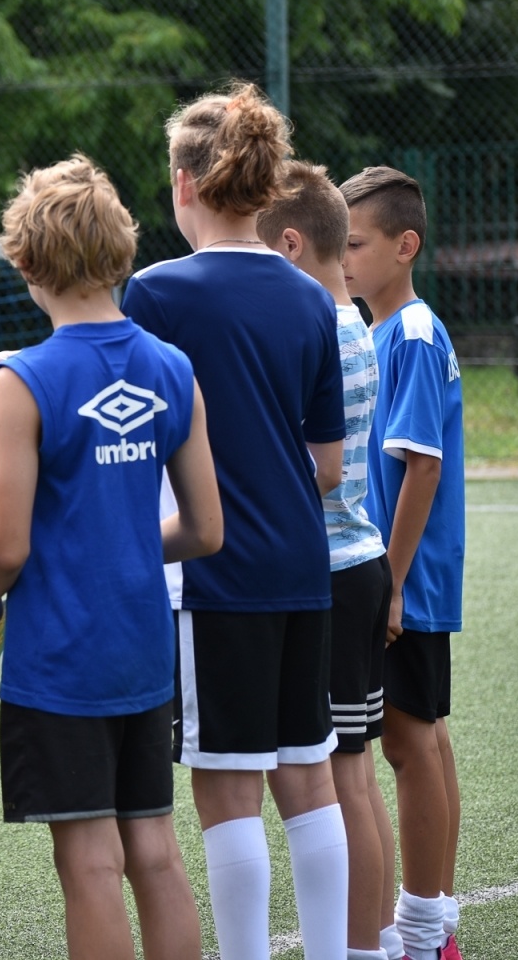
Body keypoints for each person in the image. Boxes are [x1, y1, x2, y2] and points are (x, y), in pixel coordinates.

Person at [0, 156, 222, 960]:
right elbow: (206, 529)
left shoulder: (25, 381)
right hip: (143, 649)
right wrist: (133, 549)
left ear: (27, 264)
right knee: (155, 850)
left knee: (90, 863)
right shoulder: (173, 368)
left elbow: (8, 544)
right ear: (121, 254)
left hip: (61, 660)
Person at [121, 82, 350, 960]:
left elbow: (130, 437)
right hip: (304, 569)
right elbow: (326, 463)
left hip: (215, 577)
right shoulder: (309, 298)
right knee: (309, 779)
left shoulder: (157, 295)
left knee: (226, 792)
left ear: (184, 184)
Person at [259, 162, 398, 960]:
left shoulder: (327, 327)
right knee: (355, 775)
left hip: (336, 567)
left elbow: (325, 466)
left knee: (345, 780)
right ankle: (366, 942)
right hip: (355, 559)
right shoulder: (349, 321)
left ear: (290, 242)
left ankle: (359, 946)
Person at [339, 166, 465, 960]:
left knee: (408, 743)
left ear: (404, 245)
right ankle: (436, 923)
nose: (342, 258)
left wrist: (390, 578)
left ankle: (422, 932)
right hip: (409, 575)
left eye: (355, 243)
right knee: (424, 739)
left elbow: (421, 466)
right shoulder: (384, 331)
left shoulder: (411, 333)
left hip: (405, 578)